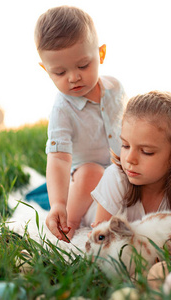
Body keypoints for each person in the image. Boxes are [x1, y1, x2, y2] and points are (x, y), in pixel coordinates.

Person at [34, 6, 127, 241]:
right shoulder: (62, 109)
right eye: (59, 72)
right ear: (45, 70)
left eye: (83, 66)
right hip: (87, 181)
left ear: (101, 54)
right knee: (90, 173)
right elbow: (59, 158)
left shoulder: (115, 88)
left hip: (122, 168)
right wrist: (58, 203)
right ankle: (70, 227)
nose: (73, 77)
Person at [90, 91, 171, 226]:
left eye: (146, 152)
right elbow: (100, 241)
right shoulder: (116, 178)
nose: (129, 159)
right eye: (125, 146)